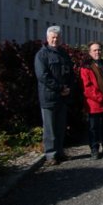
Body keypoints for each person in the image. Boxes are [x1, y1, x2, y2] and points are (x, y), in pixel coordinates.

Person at [34, 26, 75, 166]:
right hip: (49, 97)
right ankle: (51, 155)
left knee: (60, 127)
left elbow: (70, 73)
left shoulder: (63, 53)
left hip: (62, 97)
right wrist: (60, 88)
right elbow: (43, 76)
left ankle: (60, 152)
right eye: (52, 37)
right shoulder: (42, 55)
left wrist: (68, 87)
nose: (55, 40)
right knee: (50, 129)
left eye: (57, 37)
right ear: (47, 38)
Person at [80, 41, 103, 159]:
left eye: (99, 50)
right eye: (94, 50)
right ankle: (94, 149)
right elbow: (87, 87)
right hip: (94, 103)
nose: (97, 52)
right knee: (93, 127)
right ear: (90, 52)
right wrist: (102, 99)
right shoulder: (86, 67)